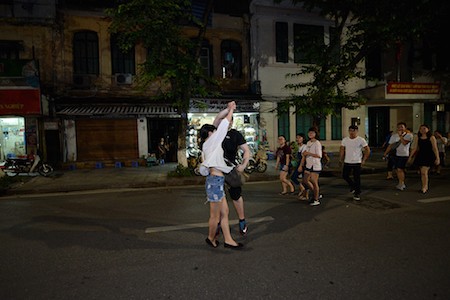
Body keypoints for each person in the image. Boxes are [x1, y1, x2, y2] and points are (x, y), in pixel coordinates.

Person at [199, 101, 243, 250]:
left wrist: (228, 109)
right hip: (215, 182)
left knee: (225, 212)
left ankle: (228, 240)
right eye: (214, 130)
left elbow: (219, 118)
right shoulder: (211, 142)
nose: (216, 131)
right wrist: (231, 110)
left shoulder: (209, 144)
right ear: (210, 134)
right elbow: (224, 123)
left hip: (217, 180)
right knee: (215, 216)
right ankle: (211, 238)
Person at [222, 119, 250, 236]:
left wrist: (243, 165)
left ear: (232, 123)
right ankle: (220, 223)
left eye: (229, 121)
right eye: (225, 121)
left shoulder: (235, 134)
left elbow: (246, 150)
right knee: (218, 198)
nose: (227, 123)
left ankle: (242, 220)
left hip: (231, 170)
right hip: (217, 170)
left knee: (236, 196)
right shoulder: (215, 133)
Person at [339, 125, 371, 201]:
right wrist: (340, 159)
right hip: (347, 161)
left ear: (357, 131)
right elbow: (342, 149)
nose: (351, 132)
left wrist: (364, 160)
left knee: (357, 178)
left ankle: (357, 193)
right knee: (345, 175)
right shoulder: (345, 140)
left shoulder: (361, 140)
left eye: (353, 131)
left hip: (357, 161)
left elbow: (367, 150)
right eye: (350, 130)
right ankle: (353, 186)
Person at [408, 125, 440, 193]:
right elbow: (415, 148)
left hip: (429, 155)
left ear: (428, 129)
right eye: (421, 129)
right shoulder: (417, 137)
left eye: (424, 128)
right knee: (422, 172)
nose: (422, 130)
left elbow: (435, 148)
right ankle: (424, 186)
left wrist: (437, 158)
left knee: (424, 172)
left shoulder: (431, 137)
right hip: (421, 155)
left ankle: (424, 187)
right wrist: (410, 156)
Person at [383, 122, 413, 191]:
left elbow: (404, 143)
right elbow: (390, 145)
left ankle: (401, 183)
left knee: (400, 169)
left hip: (404, 154)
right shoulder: (394, 136)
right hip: (395, 154)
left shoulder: (409, 135)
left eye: (402, 127)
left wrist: (400, 136)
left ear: (405, 128)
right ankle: (401, 182)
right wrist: (385, 153)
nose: (400, 128)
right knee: (397, 169)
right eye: (399, 127)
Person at [298, 128, 322, 206]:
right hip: (308, 164)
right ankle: (316, 193)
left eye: (312, 133)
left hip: (315, 165)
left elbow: (319, 155)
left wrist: (308, 153)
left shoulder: (317, 143)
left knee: (314, 182)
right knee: (305, 180)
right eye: (309, 133)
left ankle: (316, 199)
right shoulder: (308, 143)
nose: (310, 134)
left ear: (315, 134)